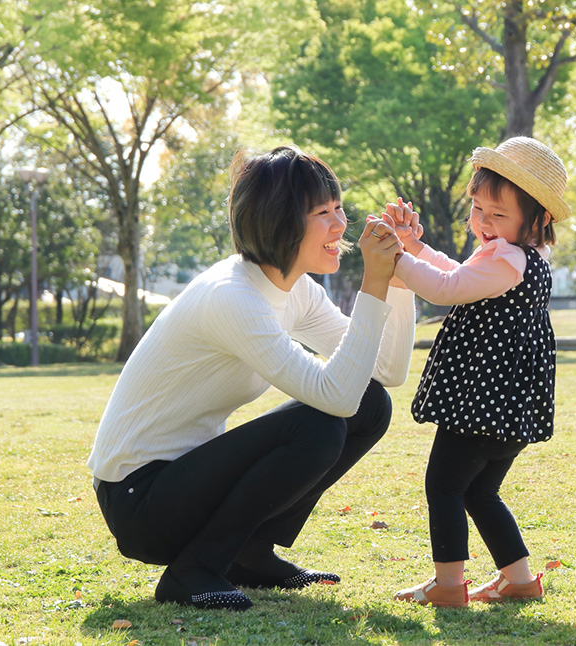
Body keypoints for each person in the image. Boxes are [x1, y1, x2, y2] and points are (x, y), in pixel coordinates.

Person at [87, 145, 415, 611]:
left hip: (185, 483)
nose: (341, 225)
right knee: (319, 424)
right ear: (279, 222)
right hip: (140, 500)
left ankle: (248, 553)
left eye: (338, 207)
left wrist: (397, 279)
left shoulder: (295, 289)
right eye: (322, 212)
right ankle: (193, 571)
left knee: (372, 402)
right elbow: (335, 397)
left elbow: (384, 371)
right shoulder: (231, 297)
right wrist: (373, 283)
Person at [387, 136, 570, 608]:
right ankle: (520, 580)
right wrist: (417, 248)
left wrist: (397, 258)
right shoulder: (521, 256)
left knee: (444, 485)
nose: (484, 224)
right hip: (508, 409)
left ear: (539, 219)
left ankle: (448, 586)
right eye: (477, 209)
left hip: (481, 405)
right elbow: (457, 271)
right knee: (480, 491)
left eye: (498, 214)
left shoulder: (507, 259)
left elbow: (448, 288)